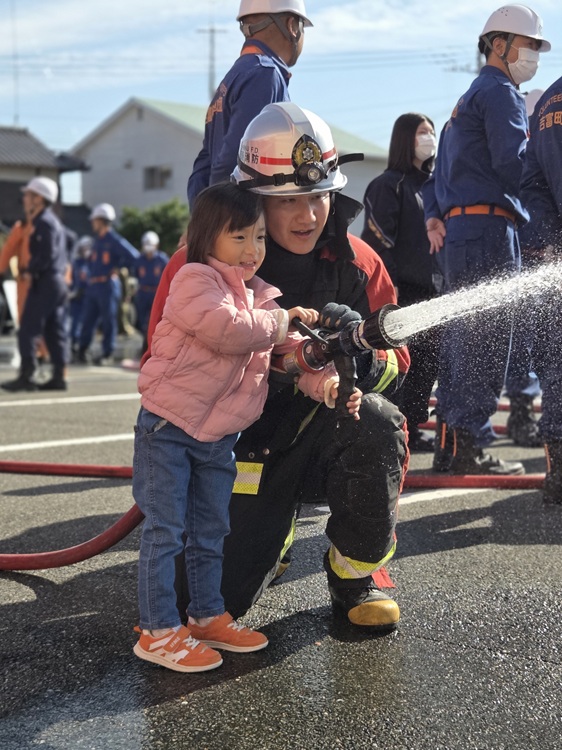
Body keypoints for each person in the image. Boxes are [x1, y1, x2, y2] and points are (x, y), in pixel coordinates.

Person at [146, 103, 410, 631]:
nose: (308, 216)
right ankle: (272, 534)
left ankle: (355, 575)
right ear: (252, 200)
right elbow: (161, 368)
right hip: (231, 447)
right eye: (288, 201)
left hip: (323, 430)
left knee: (378, 423)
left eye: (318, 196)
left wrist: (357, 355)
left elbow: (398, 363)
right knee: (195, 604)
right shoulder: (195, 266)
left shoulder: (359, 264)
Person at [133, 182, 360, 673]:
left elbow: (289, 357)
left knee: (211, 529)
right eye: (238, 237)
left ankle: (206, 617)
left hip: (217, 439)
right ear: (206, 238)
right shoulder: (194, 280)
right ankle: (157, 631)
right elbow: (227, 330)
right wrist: (282, 321)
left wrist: (327, 385)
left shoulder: (260, 299)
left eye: (258, 237)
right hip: (169, 429)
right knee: (166, 530)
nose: (252, 249)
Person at [423, 3, 550, 475]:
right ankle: (470, 443)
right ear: (499, 44)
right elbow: (516, 163)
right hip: (491, 231)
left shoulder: (467, 99)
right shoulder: (500, 93)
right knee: (489, 343)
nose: (534, 55)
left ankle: (453, 444)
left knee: (465, 341)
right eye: (529, 44)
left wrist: (436, 216)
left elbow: (440, 176)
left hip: (463, 232)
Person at [361, 112, 441, 453]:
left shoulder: (434, 186)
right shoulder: (388, 185)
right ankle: (397, 428)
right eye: (422, 131)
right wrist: (390, 283)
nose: (429, 137)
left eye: (432, 131)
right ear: (405, 138)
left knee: (427, 364)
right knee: (402, 363)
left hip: (432, 290)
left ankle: (414, 427)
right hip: (401, 291)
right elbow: (378, 241)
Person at [187, 0, 312, 210]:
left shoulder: (232, 79)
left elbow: (204, 164)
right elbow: (237, 158)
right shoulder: (264, 75)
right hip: (246, 219)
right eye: (302, 27)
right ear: (291, 25)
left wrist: (202, 216)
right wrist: (225, 218)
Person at [520, 77, 562, 503]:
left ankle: (559, 474)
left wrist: (549, 240)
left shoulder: (549, 99)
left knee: (557, 362)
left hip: (552, 251)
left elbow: (531, 182)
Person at [1, 177, 69, 392]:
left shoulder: (43, 222)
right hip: (57, 282)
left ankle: (27, 375)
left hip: (45, 281)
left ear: (39, 199)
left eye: (29, 195)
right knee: (53, 329)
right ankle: (59, 376)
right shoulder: (52, 221)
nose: (25, 199)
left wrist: (32, 270)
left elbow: (47, 253)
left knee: (28, 329)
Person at [76, 203, 139, 365]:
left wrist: (118, 267)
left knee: (108, 320)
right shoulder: (97, 241)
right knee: (88, 319)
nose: (92, 223)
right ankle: (82, 349)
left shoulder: (114, 240)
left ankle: (107, 353)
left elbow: (134, 256)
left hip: (107, 286)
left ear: (102, 220)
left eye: (95, 220)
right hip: (93, 286)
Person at [133, 231, 169, 355]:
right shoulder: (139, 260)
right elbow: (136, 274)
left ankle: (154, 348)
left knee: (155, 321)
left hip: (156, 293)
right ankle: (145, 347)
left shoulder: (162, 259)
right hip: (143, 293)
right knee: (142, 321)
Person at [68, 235, 92, 357]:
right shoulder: (75, 263)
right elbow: (70, 279)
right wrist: (72, 292)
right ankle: (74, 345)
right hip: (77, 298)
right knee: (75, 323)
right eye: (83, 248)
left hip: (89, 297)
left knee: (87, 324)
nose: (85, 250)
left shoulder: (93, 263)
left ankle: (84, 348)